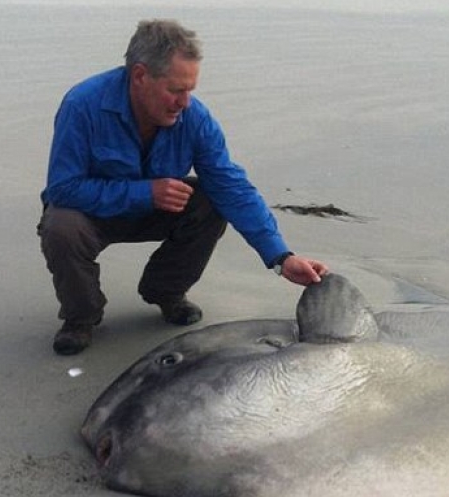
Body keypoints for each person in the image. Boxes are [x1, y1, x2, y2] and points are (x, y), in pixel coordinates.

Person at [38, 19, 328, 355]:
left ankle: (166, 291)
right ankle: (80, 317)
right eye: (176, 90)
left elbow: (232, 187)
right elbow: (62, 189)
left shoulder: (195, 118)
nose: (185, 102)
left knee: (212, 200)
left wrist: (281, 257)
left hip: (160, 210)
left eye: (190, 90)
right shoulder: (81, 105)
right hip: (93, 215)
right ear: (140, 76)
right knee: (60, 226)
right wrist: (145, 192)